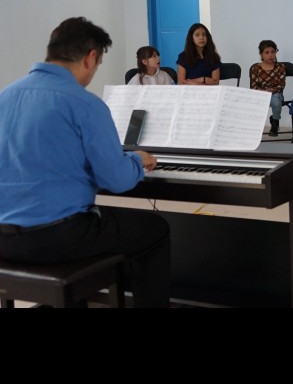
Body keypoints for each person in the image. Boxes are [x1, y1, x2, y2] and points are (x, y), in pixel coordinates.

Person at [0, 17, 170, 307]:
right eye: (99, 63)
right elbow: (115, 180)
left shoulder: (6, 95)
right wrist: (135, 160)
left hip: (4, 237)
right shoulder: (84, 103)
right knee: (155, 229)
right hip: (56, 237)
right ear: (91, 57)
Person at [249, 40, 286, 137]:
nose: (270, 55)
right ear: (261, 54)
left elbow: (281, 84)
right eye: (267, 52)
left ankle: (275, 122)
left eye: (273, 52)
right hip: (260, 94)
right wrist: (264, 91)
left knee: (276, 101)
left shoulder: (280, 67)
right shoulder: (256, 68)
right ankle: (254, 129)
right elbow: (254, 86)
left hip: (275, 93)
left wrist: (272, 90)